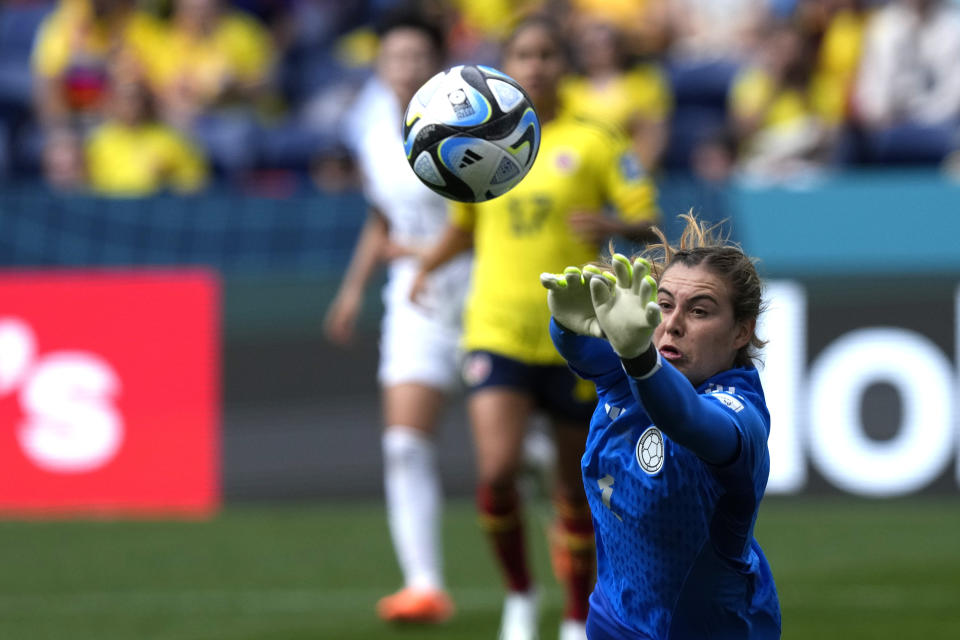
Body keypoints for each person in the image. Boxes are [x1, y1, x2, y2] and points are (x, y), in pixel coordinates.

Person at [410, 14, 660, 640]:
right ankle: (520, 595)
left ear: (564, 64)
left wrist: (610, 227)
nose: (538, 64)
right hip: (496, 325)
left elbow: (648, 221)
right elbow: (464, 229)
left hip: (578, 335)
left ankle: (577, 617)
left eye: (549, 53)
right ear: (506, 67)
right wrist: (424, 267)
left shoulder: (597, 140)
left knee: (575, 489)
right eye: (525, 53)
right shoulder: (475, 141)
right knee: (495, 471)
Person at [540, 213, 781, 639]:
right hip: (612, 620)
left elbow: (684, 417)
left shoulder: (740, 414)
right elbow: (578, 349)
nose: (672, 324)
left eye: (700, 311)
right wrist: (563, 322)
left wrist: (639, 357)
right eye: (664, 304)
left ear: (742, 331)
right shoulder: (626, 376)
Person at [322, 8, 465, 626]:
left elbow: (489, 216)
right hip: (414, 296)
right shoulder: (368, 121)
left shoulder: (473, 116)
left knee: (534, 457)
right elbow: (381, 213)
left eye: (415, 55)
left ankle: (578, 583)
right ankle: (424, 585)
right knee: (404, 444)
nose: (404, 67)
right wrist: (353, 288)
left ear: (438, 60)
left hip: (485, 288)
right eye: (393, 57)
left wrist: (424, 254)